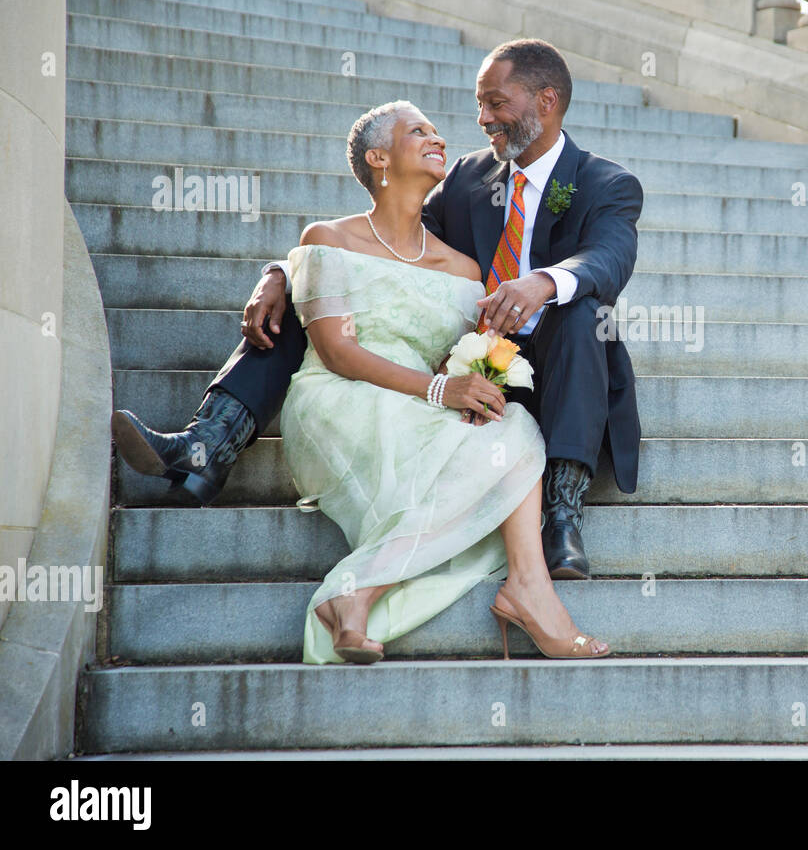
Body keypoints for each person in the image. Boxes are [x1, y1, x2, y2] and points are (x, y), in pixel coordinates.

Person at [112, 39, 642, 580]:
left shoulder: (606, 183)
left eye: (496, 103)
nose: (483, 119)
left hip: (553, 373)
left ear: (546, 101)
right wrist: (284, 270)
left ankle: (562, 516)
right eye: (479, 104)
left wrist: (545, 283)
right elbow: (383, 247)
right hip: (457, 360)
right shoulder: (466, 178)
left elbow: (609, 256)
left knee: (583, 317)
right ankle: (210, 442)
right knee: (325, 281)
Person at [284, 99, 609, 663]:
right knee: (489, 451)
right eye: (418, 131)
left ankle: (517, 588)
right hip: (341, 398)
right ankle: (366, 593)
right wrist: (438, 390)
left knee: (512, 430)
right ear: (379, 157)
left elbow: (457, 351)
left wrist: (464, 382)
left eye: (436, 129)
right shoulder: (329, 238)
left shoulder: (461, 267)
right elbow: (336, 351)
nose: (438, 138)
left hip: (422, 393)